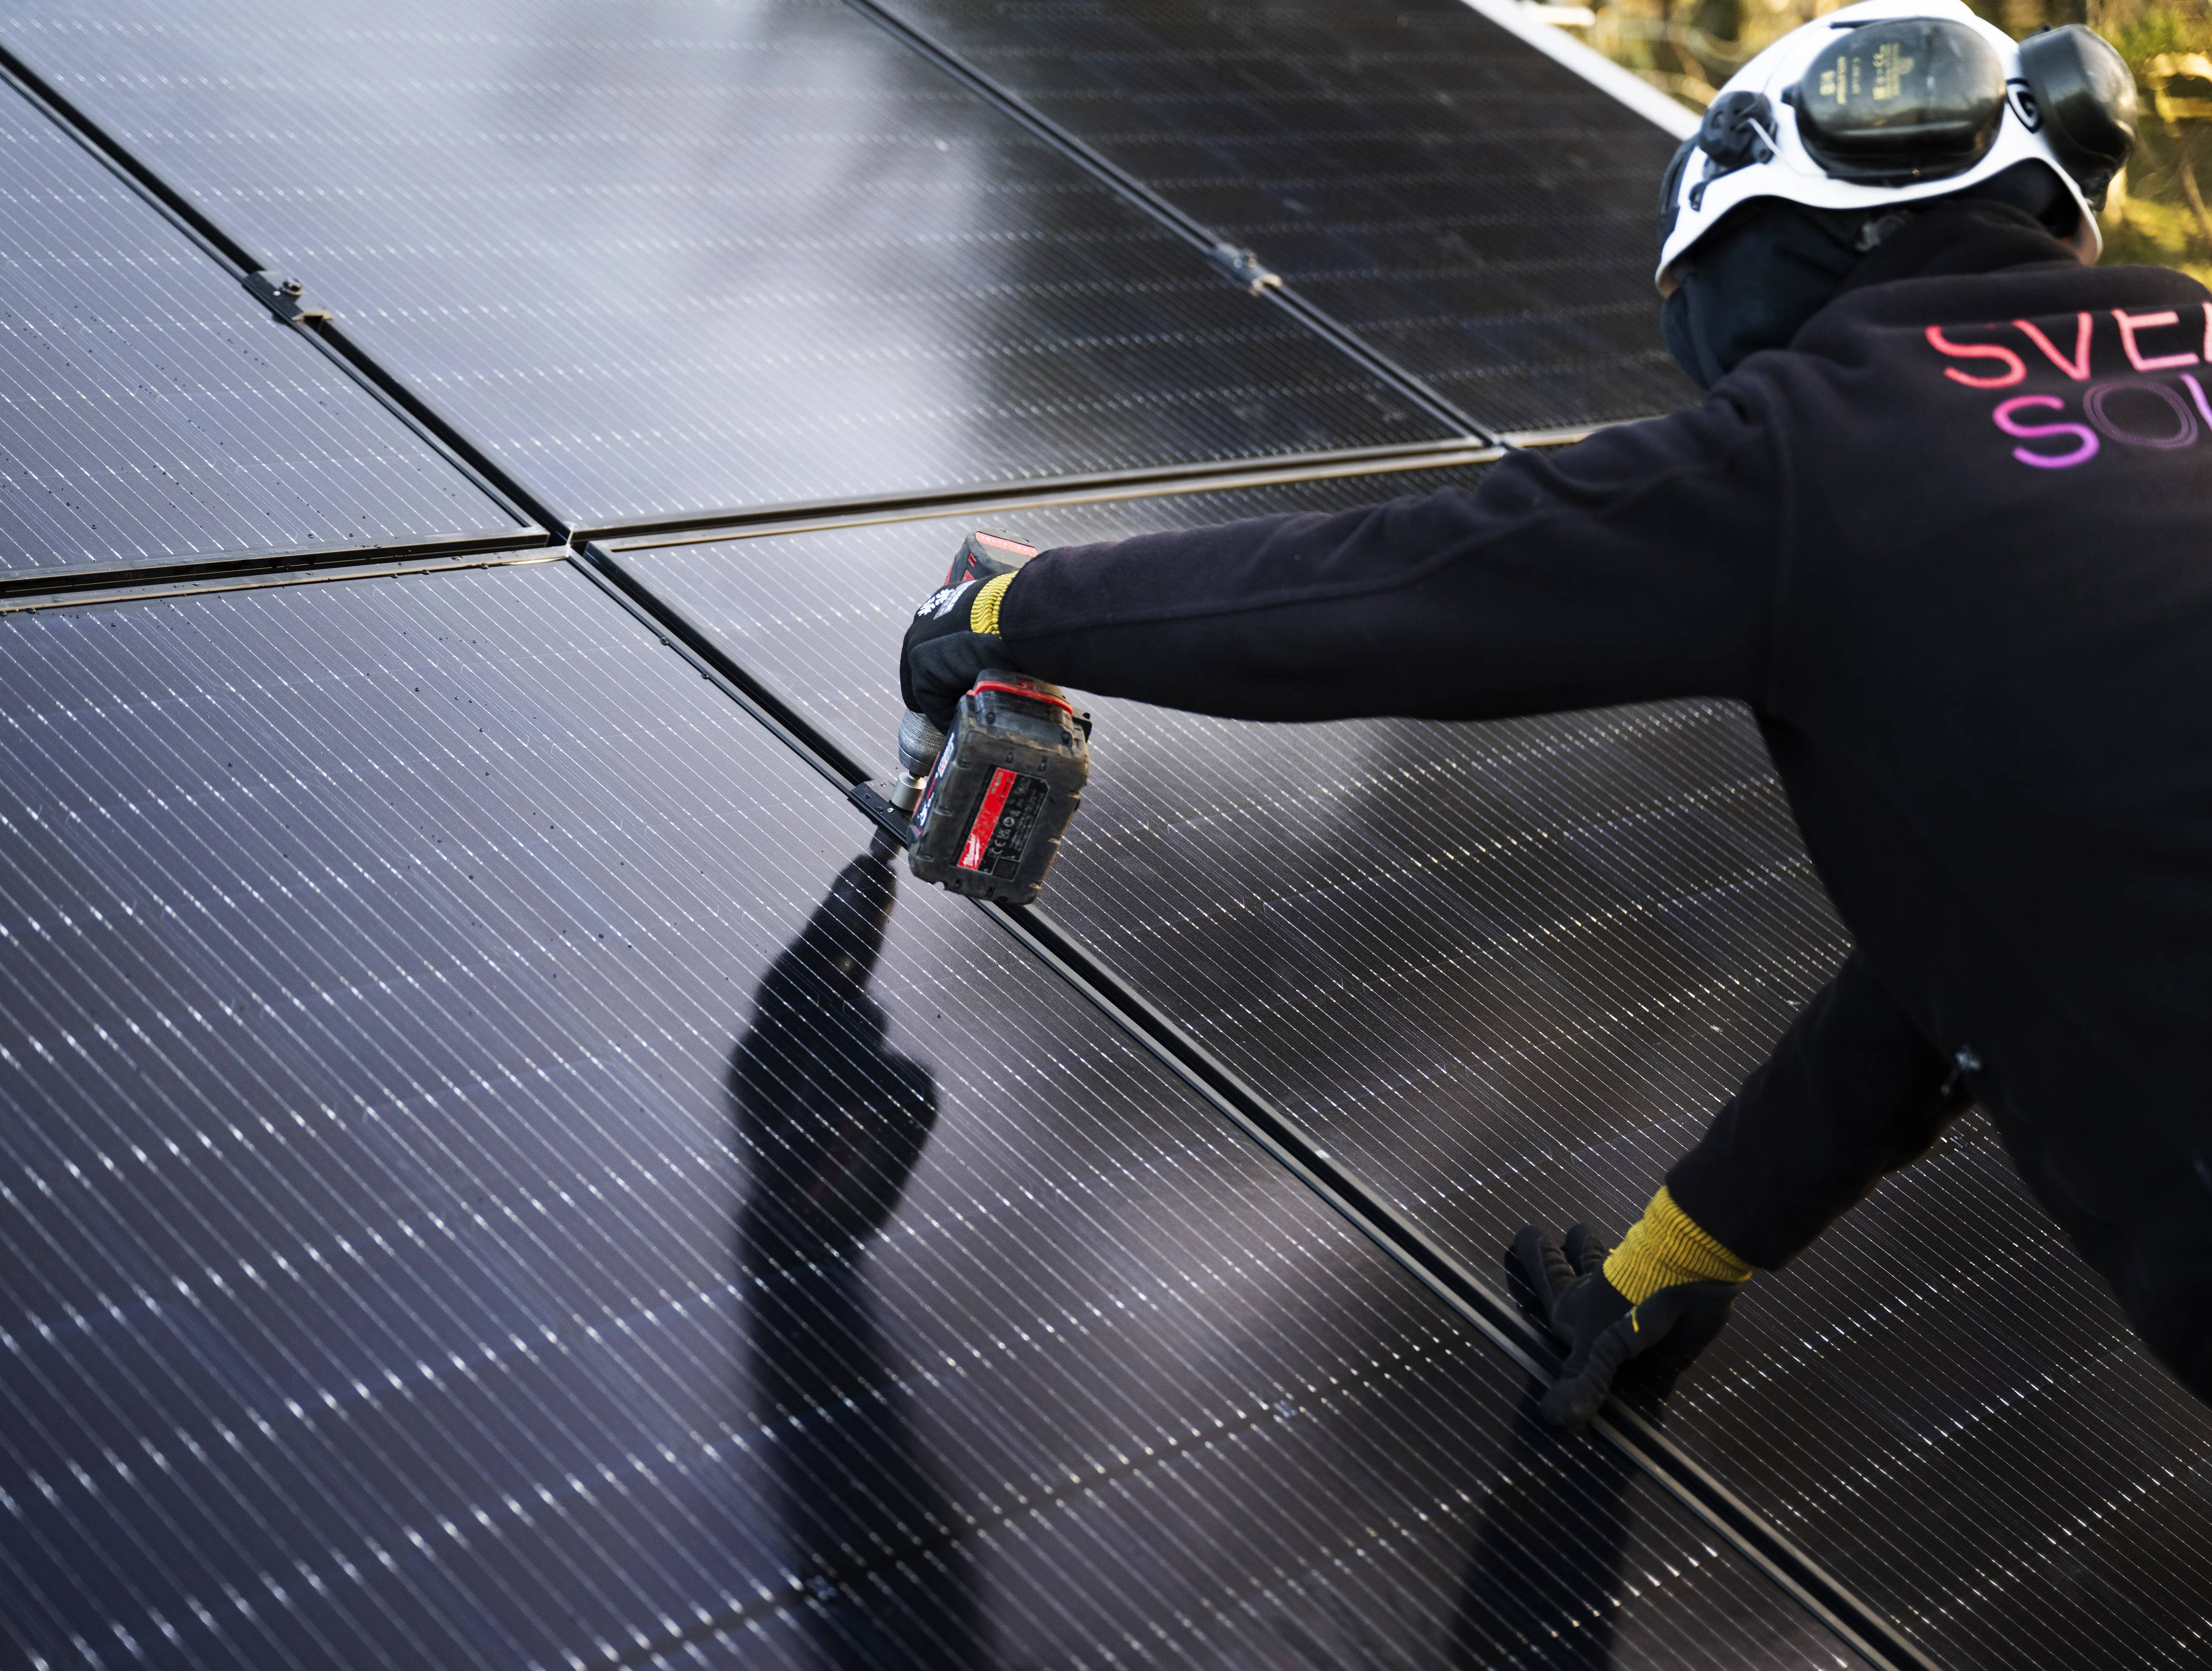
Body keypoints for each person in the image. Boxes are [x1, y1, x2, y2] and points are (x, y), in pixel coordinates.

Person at [895, 0, 2212, 1430]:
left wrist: (1009, 617)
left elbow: (1377, 596)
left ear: (1765, 230)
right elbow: (1986, 935)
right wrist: (1695, 1241)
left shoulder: (1816, 450)